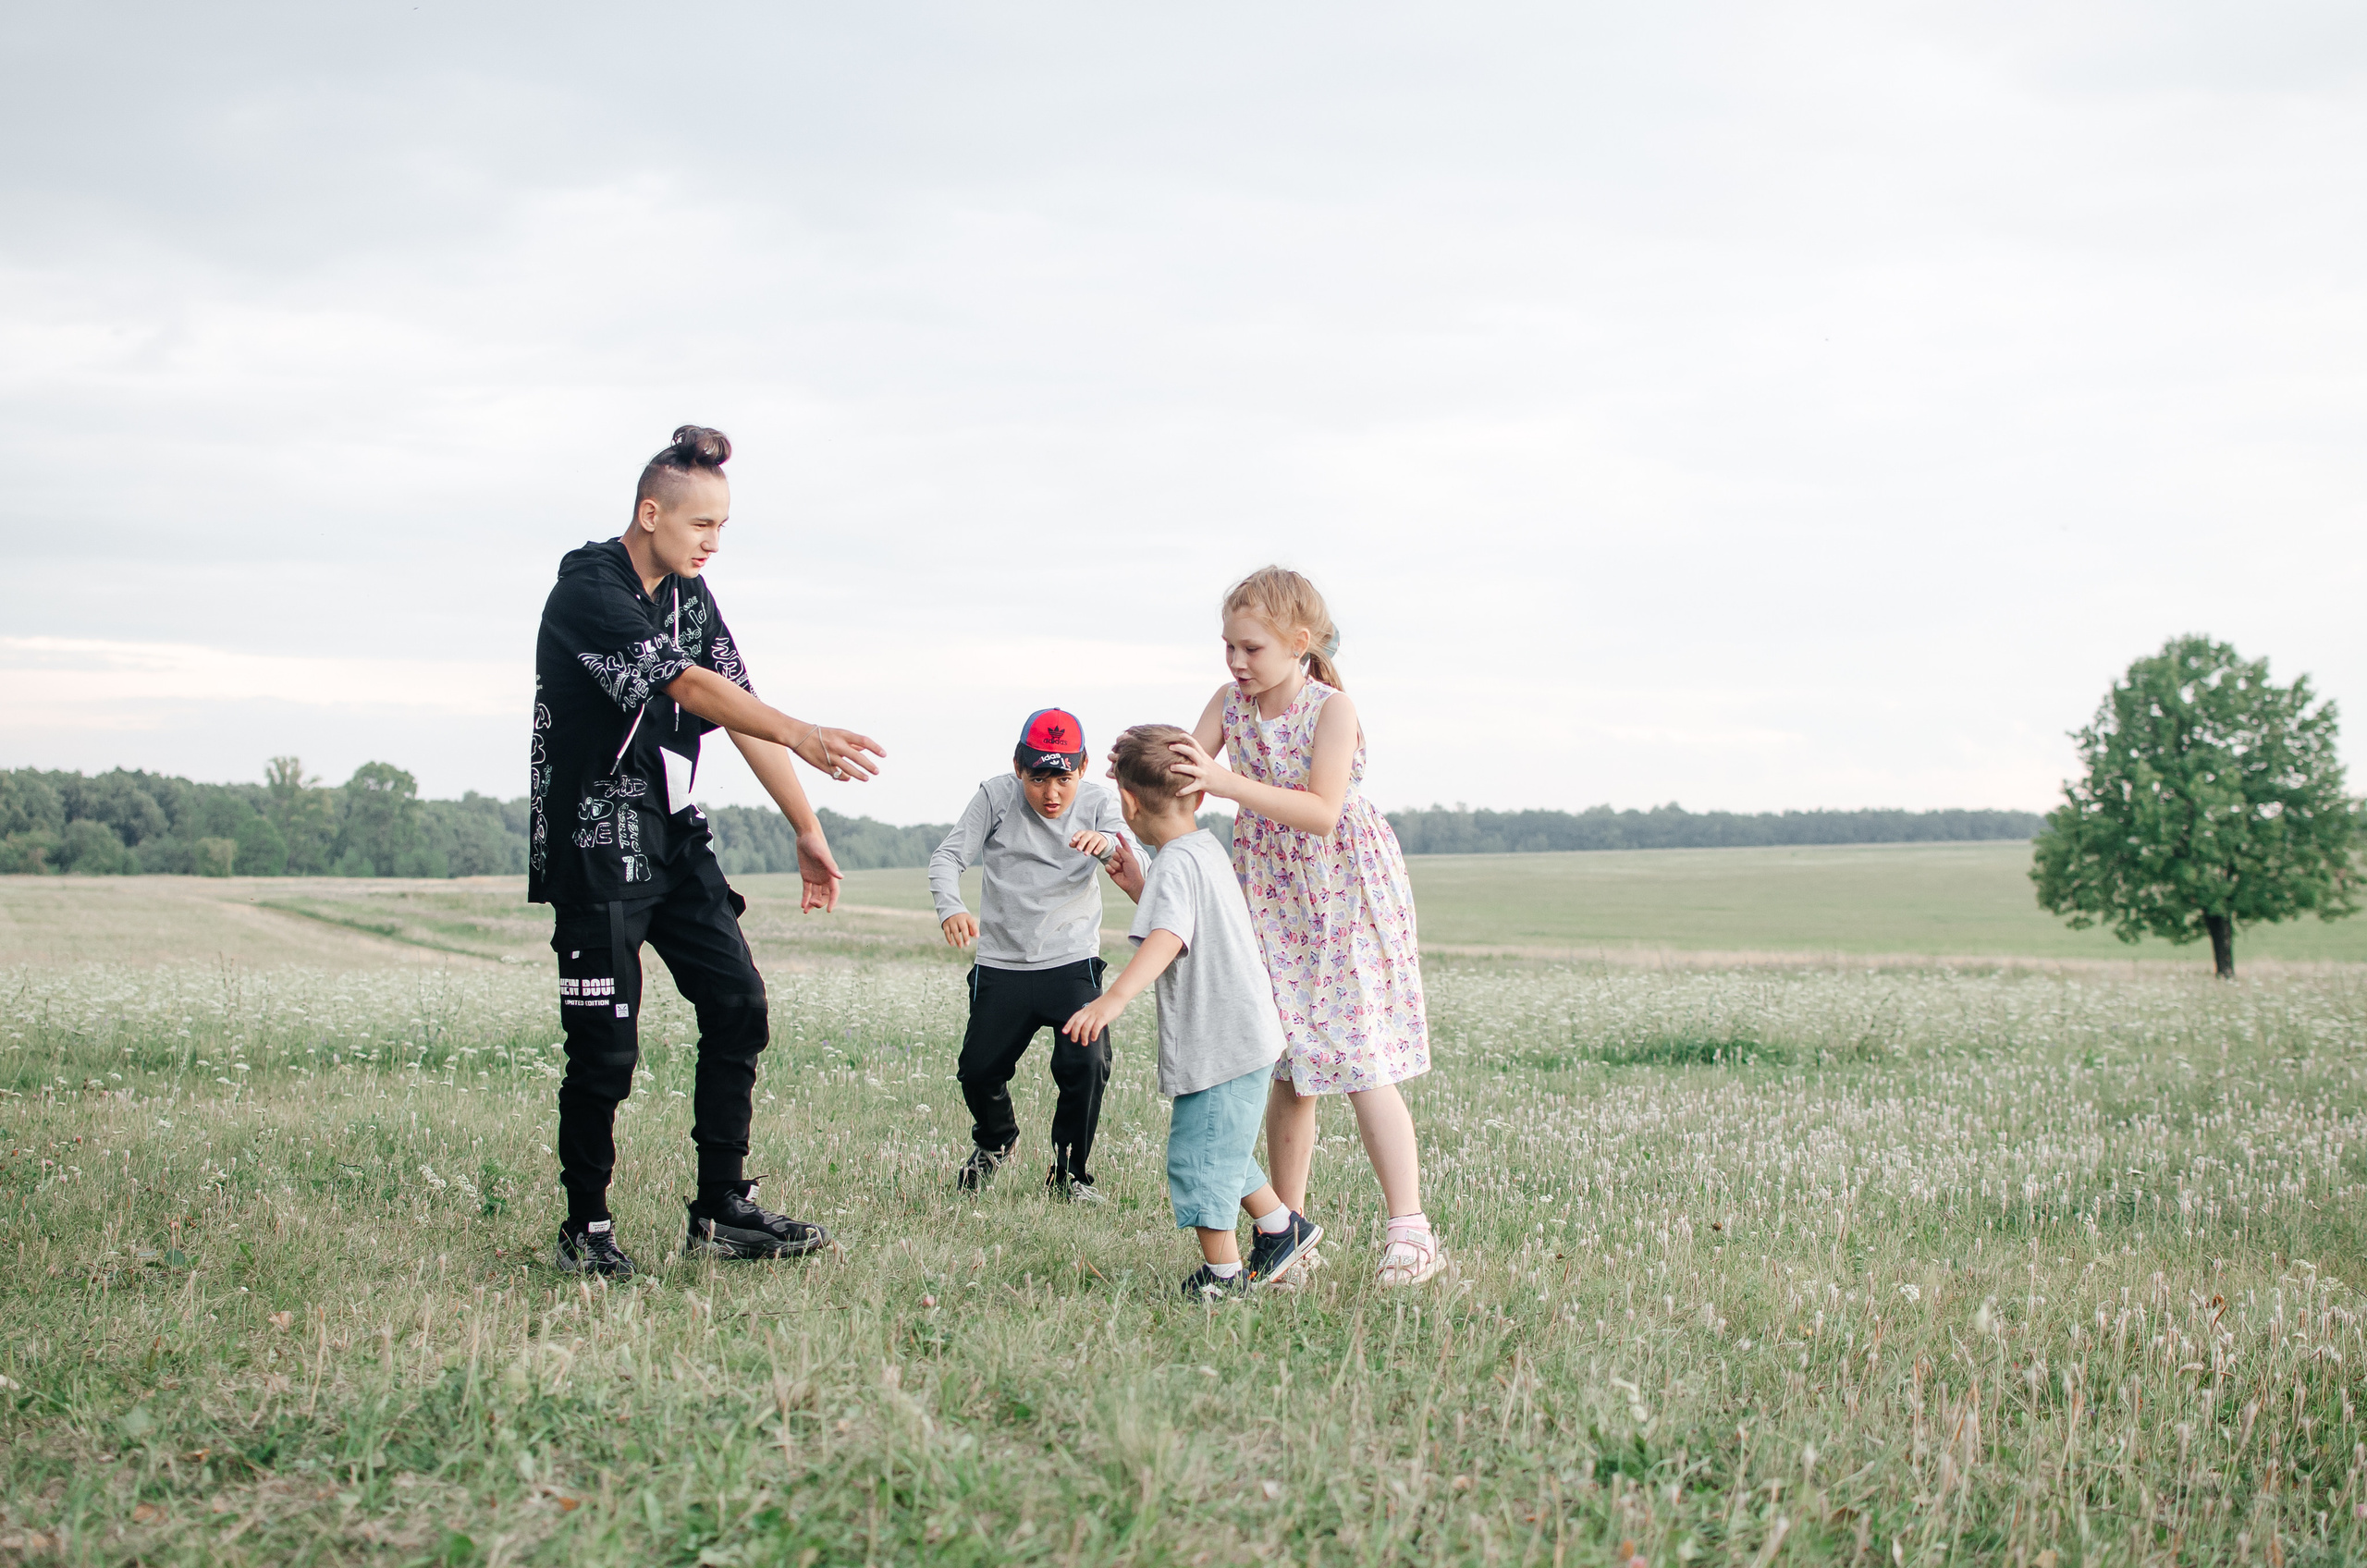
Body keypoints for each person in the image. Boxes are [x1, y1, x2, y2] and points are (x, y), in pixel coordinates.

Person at [530, 423, 885, 1278]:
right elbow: (683, 685)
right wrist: (802, 732)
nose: (713, 543)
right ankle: (588, 1229)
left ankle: (721, 1211)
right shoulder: (589, 584)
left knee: (739, 1007)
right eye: (701, 526)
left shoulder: (692, 598)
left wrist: (805, 824)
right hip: (596, 840)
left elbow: (730, 703)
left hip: (675, 836)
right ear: (651, 513)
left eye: (723, 528)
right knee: (605, 1050)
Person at [1165, 567, 1445, 1287]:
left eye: (1250, 649)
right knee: (1285, 1065)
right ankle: (1286, 1233)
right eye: (1227, 646)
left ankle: (1410, 1230)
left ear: (1299, 642)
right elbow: (1181, 779)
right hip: (1270, 896)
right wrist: (1143, 778)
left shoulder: (1331, 710)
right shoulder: (1228, 704)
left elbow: (1321, 811)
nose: (1235, 662)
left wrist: (1222, 783)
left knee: (1359, 1059)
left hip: (1342, 889)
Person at [1062, 725, 1322, 1299]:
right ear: (1198, 795)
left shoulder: (1177, 864)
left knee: (1198, 1158)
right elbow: (1182, 915)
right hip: (1245, 1036)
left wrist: (1114, 997)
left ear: (1126, 803)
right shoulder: (1201, 850)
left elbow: (1171, 934)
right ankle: (1282, 1228)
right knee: (1220, 1147)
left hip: (1222, 1042)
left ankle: (1225, 1276)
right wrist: (1141, 884)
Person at [929, 708, 1135, 1201]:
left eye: (1063, 777)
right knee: (978, 1072)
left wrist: (1107, 844)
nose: (1052, 793)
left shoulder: (1099, 803)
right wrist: (951, 907)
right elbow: (947, 857)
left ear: (1082, 768)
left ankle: (1069, 1176)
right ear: (1019, 767)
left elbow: (1134, 855)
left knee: (1085, 1065)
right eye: (1039, 777)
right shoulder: (995, 795)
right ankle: (997, 1140)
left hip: (1071, 963)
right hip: (1002, 966)